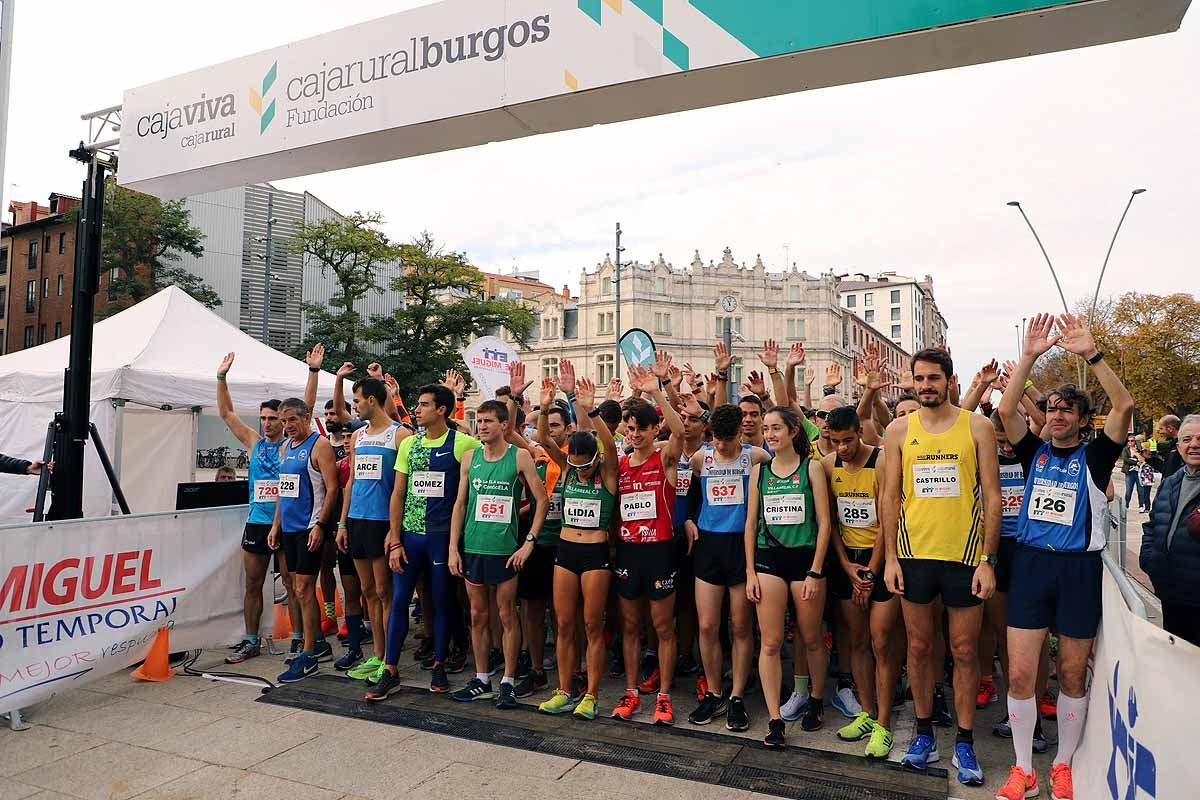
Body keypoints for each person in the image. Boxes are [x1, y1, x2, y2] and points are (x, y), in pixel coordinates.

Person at [995, 312, 1133, 800]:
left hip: (1077, 569)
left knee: (1072, 672)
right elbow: (1008, 413)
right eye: (1051, 409)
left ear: (1081, 421)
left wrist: (1091, 354)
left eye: (1066, 411)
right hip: (1031, 564)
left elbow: (1124, 404)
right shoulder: (1033, 452)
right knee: (1019, 674)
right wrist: (1029, 357)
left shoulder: (1096, 457)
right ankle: (1021, 768)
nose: (1056, 416)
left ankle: (1063, 764)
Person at [882, 347, 1002, 786]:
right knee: (918, 647)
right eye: (920, 379)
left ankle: (965, 741)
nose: (926, 386)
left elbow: (991, 497)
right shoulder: (898, 430)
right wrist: (891, 558)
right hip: (914, 558)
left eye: (934, 378)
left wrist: (987, 561)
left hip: (965, 558)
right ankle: (924, 733)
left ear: (950, 381)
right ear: (912, 382)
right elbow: (889, 498)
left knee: (966, 650)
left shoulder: (978, 426)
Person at [366, 384, 481, 701]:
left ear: (442, 410)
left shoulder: (463, 443)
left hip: (442, 538)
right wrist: (394, 537)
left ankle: (440, 664)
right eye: (417, 404)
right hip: (410, 537)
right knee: (400, 599)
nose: (417, 409)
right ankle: (390, 669)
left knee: (442, 601)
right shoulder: (409, 445)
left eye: (424, 404)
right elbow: (398, 493)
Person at [449, 399, 547, 708]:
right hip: (474, 548)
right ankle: (482, 678)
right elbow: (460, 504)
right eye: (479, 421)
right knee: (478, 616)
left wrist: (529, 542)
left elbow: (542, 500)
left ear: (504, 424)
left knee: (506, 614)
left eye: (489, 421)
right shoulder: (469, 458)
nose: (482, 426)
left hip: (506, 551)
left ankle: (508, 680)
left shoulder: (519, 457)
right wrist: (454, 547)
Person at [746, 405, 833, 748]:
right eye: (766, 429)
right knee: (770, 641)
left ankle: (815, 698)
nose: (769, 434)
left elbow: (825, 523)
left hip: (805, 562)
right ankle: (775, 719)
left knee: (810, 638)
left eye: (776, 428)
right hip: (769, 561)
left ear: (793, 431)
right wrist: (750, 571)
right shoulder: (759, 472)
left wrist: (815, 571)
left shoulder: (811, 468)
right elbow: (750, 525)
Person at [535, 374, 618, 720]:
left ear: (595, 460)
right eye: (576, 465)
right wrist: (544, 407)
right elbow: (543, 439)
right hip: (565, 553)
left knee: (591, 625)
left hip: (595, 555)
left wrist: (591, 409)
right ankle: (565, 689)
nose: (581, 472)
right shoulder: (568, 468)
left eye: (586, 466)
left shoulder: (607, 472)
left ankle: (592, 694)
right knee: (564, 625)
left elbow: (611, 447)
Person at [609, 360, 688, 726]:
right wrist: (632, 395)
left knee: (662, 627)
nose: (635, 434)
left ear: (654, 429)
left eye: (642, 428)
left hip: (659, 551)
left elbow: (680, 432)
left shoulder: (665, 458)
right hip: (628, 552)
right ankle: (630, 691)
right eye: (630, 428)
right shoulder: (621, 463)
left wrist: (656, 391)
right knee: (629, 626)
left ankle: (664, 696)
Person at [685, 403, 771, 730]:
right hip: (709, 543)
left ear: (741, 433)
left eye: (727, 439)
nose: (721, 446)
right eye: (716, 439)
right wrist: (690, 520)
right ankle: (714, 691)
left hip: (740, 544)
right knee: (707, 626)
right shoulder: (701, 458)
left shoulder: (756, 456)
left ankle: (736, 696)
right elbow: (690, 495)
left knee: (740, 627)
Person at [823, 406, 901, 759]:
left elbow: (888, 518)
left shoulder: (880, 460)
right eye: (835, 442)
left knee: (881, 640)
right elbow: (832, 522)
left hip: (879, 558)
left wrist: (870, 569)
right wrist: (844, 564)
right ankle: (867, 713)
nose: (842, 448)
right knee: (855, 641)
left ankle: (884, 722)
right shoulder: (827, 465)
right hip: (847, 560)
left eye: (848, 440)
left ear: (860, 432)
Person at [216, 353, 287, 665]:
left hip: (286, 523)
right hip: (257, 522)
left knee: (294, 585)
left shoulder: (292, 446)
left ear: (283, 421)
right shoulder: (255, 443)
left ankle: (300, 641)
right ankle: (251, 639)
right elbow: (227, 413)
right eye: (264, 418)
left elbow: (308, 407)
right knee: (253, 584)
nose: (267, 423)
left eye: (273, 418)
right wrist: (221, 378)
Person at [336, 375, 408, 683]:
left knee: (383, 591)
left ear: (372, 401)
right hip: (357, 520)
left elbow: (403, 487)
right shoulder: (358, 436)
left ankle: (389, 658)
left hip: (382, 521)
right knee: (367, 592)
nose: (354, 408)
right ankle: (377, 654)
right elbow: (351, 481)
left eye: (357, 401)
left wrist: (395, 529)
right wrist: (342, 522)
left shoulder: (400, 434)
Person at [269, 398, 341, 683]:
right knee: (298, 589)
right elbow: (282, 490)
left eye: (292, 420)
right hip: (289, 528)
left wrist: (321, 525)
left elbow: (332, 488)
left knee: (304, 588)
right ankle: (318, 643)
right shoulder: (286, 447)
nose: (287, 427)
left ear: (306, 417)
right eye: (283, 421)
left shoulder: (319, 445)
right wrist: (275, 525)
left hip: (310, 527)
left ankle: (309, 655)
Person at [1141, 415, 1200, 645]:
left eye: (1199, 438)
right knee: (1177, 665)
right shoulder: (1171, 481)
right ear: (1179, 446)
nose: (1194, 444)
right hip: (1171, 594)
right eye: (1187, 439)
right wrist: (1150, 561)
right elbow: (1153, 524)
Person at [1156, 415, 1184, 480]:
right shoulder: (1171, 446)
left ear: (1170, 428)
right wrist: (1150, 458)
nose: (1160, 432)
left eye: (1161, 428)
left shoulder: (1183, 446)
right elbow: (1166, 470)